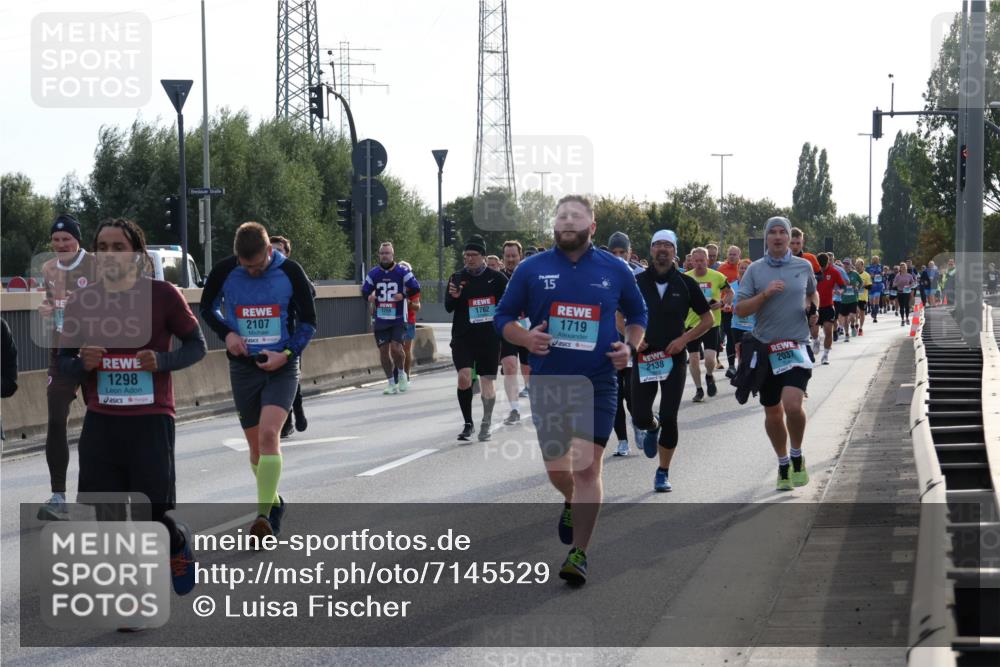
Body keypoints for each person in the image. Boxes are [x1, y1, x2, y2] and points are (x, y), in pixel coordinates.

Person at [495, 195, 646, 586]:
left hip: (597, 381)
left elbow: (638, 314)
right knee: (557, 469)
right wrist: (526, 339)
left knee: (586, 467)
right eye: (561, 216)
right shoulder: (531, 269)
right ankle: (569, 501)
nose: (566, 221)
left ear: (591, 226)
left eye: (575, 216)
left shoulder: (615, 269)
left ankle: (579, 552)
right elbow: (503, 317)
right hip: (549, 382)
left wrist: (628, 348)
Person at [58, 218, 206, 595]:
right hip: (102, 421)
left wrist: (163, 360)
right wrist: (81, 363)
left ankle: (175, 541)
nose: (109, 255)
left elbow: (197, 346)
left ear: (138, 256)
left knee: (151, 516)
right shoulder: (81, 300)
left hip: (150, 420)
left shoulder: (163, 295)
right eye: (102, 247)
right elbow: (62, 362)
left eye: (118, 247)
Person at [201, 222, 317, 539]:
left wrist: (288, 354)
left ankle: (264, 518)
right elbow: (206, 308)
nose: (251, 271)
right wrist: (227, 333)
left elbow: (309, 323)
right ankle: (275, 500)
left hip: (281, 366)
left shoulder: (291, 272)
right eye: (245, 265)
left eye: (256, 265)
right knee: (255, 451)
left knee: (269, 436)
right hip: (243, 367)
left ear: (269, 251)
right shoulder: (225, 270)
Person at [733, 216, 818, 491]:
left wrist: (811, 309)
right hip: (765, 347)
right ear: (766, 239)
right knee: (772, 413)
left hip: (796, 345)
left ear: (789, 236)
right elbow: (741, 309)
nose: (779, 237)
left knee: (793, 405)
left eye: (783, 232)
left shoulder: (803, 266)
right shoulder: (755, 271)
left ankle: (796, 455)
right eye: (774, 233)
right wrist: (765, 295)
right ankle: (782, 463)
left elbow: (811, 294)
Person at [632, 230, 712, 490]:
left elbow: (707, 320)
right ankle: (650, 426)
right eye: (658, 245)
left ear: (675, 251)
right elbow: (618, 313)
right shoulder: (637, 281)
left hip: (674, 357)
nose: (663, 249)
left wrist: (684, 340)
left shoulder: (686, 284)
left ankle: (663, 472)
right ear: (651, 250)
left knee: (670, 415)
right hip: (644, 356)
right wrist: (632, 337)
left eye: (668, 245)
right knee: (640, 416)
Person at [37, 214, 100, 521]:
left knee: (102, 420)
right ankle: (58, 495)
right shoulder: (48, 269)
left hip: (97, 350)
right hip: (62, 351)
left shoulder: (96, 267)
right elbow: (54, 306)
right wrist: (49, 311)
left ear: (78, 240)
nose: (61, 245)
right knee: (55, 419)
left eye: (67, 239)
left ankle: (100, 491)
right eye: (56, 240)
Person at [446, 235, 507, 442]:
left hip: (489, 338)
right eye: (466, 255)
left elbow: (508, 306)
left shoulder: (497, 279)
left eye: (473, 255)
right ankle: (468, 423)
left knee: (487, 382)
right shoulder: (456, 277)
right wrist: (454, 297)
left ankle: (486, 423)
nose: (469, 259)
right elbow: (448, 307)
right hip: (463, 337)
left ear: (482, 256)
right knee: (464, 377)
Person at [361, 242, 421, 395]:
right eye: (382, 253)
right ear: (379, 255)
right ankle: (390, 382)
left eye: (387, 253)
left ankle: (401, 374)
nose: (385, 256)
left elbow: (416, 287)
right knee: (383, 352)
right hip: (381, 319)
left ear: (393, 255)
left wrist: (404, 295)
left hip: (398, 318)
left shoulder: (402, 271)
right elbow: (364, 290)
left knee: (396, 348)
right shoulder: (373, 273)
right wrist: (370, 296)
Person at [607, 231, 643, 455]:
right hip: (608, 344)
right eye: (614, 252)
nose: (619, 257)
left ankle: (639, 422)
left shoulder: (641, 276)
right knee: (614, 396)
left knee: (632, 394)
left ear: (630, 252)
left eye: (623, 252)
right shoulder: (599, 274)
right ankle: (622, 441)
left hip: (633, 343)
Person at [270, 236, 310, 438]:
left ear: (287, 253)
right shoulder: (260, 273)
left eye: (280, 250)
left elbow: (310, 293)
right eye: (271, 249)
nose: (275, 253)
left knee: (291, 376)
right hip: (265, 337)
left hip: (291, 334)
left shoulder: (293, 271)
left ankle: (296, 412)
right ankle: (283, 420)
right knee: (271, 379)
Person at [684, 247, 729, 402]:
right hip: (691, 324)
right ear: (691, 261)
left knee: (710, 358)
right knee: (694, 359)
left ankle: (709, 376)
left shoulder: (717, 276)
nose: (699, 263)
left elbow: (730, 293)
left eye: (702, 260)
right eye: (695, 261)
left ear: (707, 260)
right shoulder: (685, 278)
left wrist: (722, 303)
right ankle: (698, 389)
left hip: (711, 322)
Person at [499, 241, 530, 424]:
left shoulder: (529, 275)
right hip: (507, 329)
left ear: (520, 256)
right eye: (507, 256)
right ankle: (514, 409)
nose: (510, 259)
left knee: (528, 370)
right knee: (510, 366)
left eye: (513, 256)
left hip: (528, 328)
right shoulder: (496, 278)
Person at [789, 228, 822, 346]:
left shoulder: (810, 258)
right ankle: (805, 348)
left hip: (808, 297)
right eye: (792, 243)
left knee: (812, 328)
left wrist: (809, 279)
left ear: (802, 242)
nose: (795, 246)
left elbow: (820, 275)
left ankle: (815, 339)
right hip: (790, 302)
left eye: (798, 243)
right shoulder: (782, 260)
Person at [814, 253, 845, 364]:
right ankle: (816, 340)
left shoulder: (834, 272)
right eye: (820, 266)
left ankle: (825, 356)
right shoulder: (813, 271)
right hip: (815, 306)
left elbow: (842, 286)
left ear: (828, 263)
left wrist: (839, 291)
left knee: (828, 331)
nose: (821, 268)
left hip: (828, 306)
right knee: (814, 331)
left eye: (823, 266)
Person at [716, 246, 741, 379]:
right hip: (726, 310)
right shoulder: (722, 269)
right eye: (730, 254)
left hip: (742, 310)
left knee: (742, 339)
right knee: (730, 338)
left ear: (739, 256)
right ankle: (731, 366)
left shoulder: (744, 268)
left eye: (734, 254)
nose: (731, 256)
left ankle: (743, 364)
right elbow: (718, 289)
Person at [397, 261, 421, 380]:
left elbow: (417, 306)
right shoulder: (393, 285)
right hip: (395, 320)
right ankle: (397, 374)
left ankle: (406, 375)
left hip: (409, 321)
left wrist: (407, 302)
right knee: (395, 349)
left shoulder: (413, 287)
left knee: (406, 349)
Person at [854, 258, 872, 335]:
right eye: (856, 265)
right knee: (856, 311)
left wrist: (863, 286)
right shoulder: (854, 274)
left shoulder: (866, 275)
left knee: (862, 313)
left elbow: (870, 287)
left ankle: (861, 328)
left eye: (858, 265)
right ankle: (856, 322)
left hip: (863, 297)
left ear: (862, 265)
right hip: (855, 297)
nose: (857, 267)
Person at [866, 255, 884, 322]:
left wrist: (882, 274)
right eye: (874, 259)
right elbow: (866, 275)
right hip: (871, 285)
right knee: (871, 301)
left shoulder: (880, 266)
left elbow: (882, 273)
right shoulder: (868, 267)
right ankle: (872, 310)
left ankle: (875, 316)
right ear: (872, 260)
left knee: (876, 300)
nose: (875, 260)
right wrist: (871, 276)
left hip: (878, 285)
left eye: (877, 259)